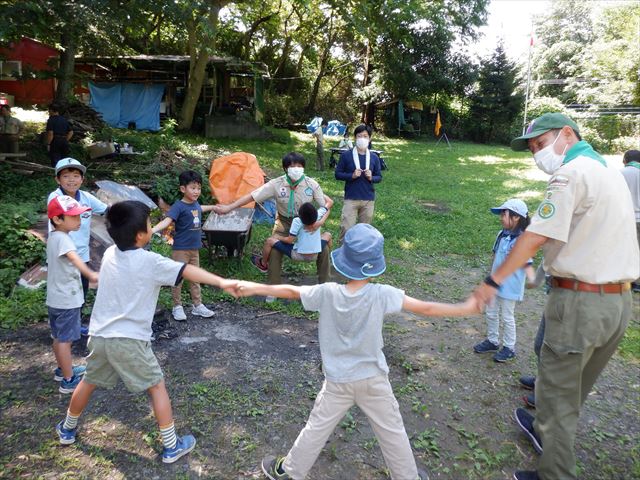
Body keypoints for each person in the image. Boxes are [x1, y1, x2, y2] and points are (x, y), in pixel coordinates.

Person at [236, 223, 479, 480]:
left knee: (316, 427)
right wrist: (464, 308)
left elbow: (291, 291)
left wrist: (254, 287)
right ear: (375, 266)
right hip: (374, 379)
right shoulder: (383, 294)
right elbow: (426, 309)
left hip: (338, 382)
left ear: (344, 262)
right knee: (392, 431)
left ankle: (289, 471)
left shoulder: (327, 293)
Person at [471, 112, 639, 480]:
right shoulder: (611, 173)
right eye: (532, 148)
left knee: (560, 399)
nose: (537, 154)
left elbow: (533, 236)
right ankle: (544, 429)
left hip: (581, 303)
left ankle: (554, 470)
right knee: (573, 387)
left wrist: (491, 283)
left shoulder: (570, 173)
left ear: (567, 134)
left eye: (541, 144)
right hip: (618, 302)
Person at [55, 200, 238, 463]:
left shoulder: (108, 254)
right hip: (129, 340)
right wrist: (222, 281)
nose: (152, 226)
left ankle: (67, 428)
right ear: (142, 235)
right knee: (156, 386)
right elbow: (186, 270)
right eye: (150, 224)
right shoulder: (151, 262)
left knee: (89, 380)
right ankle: (172, 446)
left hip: (99, 337)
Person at [213, 152, 333, 288]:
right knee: (275, 249)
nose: (297, 169)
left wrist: (319, 223)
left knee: (323, 250)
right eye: (293, 166)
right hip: (285, 222)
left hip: (307, 224)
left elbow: (326, 206)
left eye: (300, 166)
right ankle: (274, 288)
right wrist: (229, 207)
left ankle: (325, 286)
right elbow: (253, 196)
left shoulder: (311, 184)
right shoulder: (276, 184)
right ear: (285, 169)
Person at [48, 158, 108, 334]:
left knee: (81, 292)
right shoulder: (56, 198)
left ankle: (74, 325)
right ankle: (62, 328)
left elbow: (106, 210)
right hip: (63, 256)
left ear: (82, 179)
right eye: (66, 176)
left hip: (83, 255)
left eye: (76, 176)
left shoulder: (86, 197)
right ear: (58, 180)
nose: (71, 180)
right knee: (64, 293)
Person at [46, 195, 99, 394]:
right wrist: (91, 274)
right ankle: (68, 380)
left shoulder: (53, 238)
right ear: (58, 219)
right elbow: (76, 260)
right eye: (74, 217)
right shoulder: (64, 241)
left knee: (59, 337)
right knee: (65, 340)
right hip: (67, 299)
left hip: (56, 297)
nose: (79, 221)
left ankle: (63, 369)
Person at [473, 199, 535, 363]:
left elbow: (526, 264)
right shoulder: (501, 234)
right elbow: (495, 257)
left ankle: (509, 347)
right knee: (491, 312)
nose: (501, 217)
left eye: (504, 214)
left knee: (507, 316)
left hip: (510, 287)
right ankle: (493, 341)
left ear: (516, 217)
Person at [152, 170, 217, 321]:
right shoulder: (178, 206)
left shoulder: (195, 204)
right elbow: (167, 221)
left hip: (194, 249)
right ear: (183, 189)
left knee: (195, 278)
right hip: (180, 249)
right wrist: (153, 230)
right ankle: (177, 306)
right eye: (193, 188)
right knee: (178, 278)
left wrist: (214, 207)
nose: (196, 191)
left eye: (199, 188)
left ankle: (197, 305)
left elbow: (200, 209)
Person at [251, 202, 332, 273]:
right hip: (315, 255)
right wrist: (320, 222)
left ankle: (263, 264)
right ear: (315, 213)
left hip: (298, 255)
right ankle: (330, 257)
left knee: (269, 241)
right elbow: (328, 207)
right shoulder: (318, 214)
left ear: (300, 215)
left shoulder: (297, 221)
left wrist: (278, 236)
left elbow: (289, 240)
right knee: (328, 235)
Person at [335, 124, 382, 243]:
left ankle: (360, 254)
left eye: (365, 136)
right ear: (355, 138)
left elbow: (379, 177)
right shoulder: (346, 155)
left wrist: (372, 177)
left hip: (368, 199)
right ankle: (342, 253)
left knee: (365, 231)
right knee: (346, 228)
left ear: (370, 138)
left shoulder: (374, 157)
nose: (362, 138)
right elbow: (338, 174)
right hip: (351, 198)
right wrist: (351, 176)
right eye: (359, 136)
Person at [621, 149, 640, 292]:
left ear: (625, 160)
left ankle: (628, 280)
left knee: (626, 250)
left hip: (626, 218)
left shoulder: (620, 173)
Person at [46, 103, 73, 167]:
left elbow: (50, 133)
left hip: (55, 141)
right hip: (64, 141)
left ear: (52, 110)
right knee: (64, 159)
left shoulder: (51, 120)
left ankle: (56, 173)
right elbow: (71, 132)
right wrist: (65, 140)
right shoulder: (64, 120)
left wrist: (48, 144)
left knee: (55, 158)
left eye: (49, 110)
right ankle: (64, 173)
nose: (48, 112)